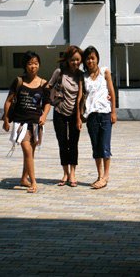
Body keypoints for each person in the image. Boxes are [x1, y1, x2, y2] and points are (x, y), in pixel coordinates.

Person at [2, 51, 50, 194]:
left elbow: (47, 103)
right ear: (25, 65)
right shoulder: (19, 81)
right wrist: (6, 119)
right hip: (21, 123)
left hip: (36, 123)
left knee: (30, 154)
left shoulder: (44, 84)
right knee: (27, 151)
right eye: (30, 63)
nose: (33, 66)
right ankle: (33, 182)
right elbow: (8, 100)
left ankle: (24, 178)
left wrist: (44, 116)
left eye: (35, 63)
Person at [80, 46, 116, 189]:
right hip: (91, 116)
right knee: (96, 146)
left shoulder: (105, 72)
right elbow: (81, 97)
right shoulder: (83, 77)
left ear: (97, 59)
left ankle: (106, 176)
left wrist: (113, 112)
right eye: (88, 58)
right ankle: (99, 175)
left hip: (105, 114)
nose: (90, 61)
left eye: (92, 58)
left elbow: (112, 92)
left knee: (105, 145)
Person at [48, 45, 84, 187]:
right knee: (62, 144)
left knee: (73, 144)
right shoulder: (59, 72)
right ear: (67, 60)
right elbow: (48, 86)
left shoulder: (81, 75)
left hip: (75, 115)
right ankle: (65, 173)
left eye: (78, 60)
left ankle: (73, 173)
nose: (75, 63)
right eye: (72, 60)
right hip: (59, 113)